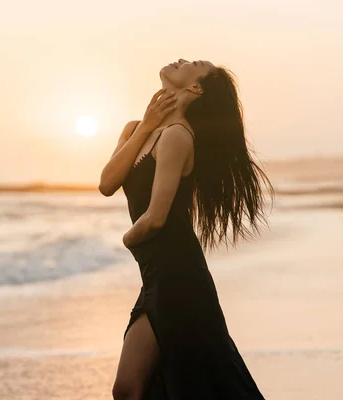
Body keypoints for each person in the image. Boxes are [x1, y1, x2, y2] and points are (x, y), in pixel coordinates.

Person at [99, 58, 273, 399]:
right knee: (141, 388)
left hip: (180, 280)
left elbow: (155, 218)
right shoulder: (136, 128)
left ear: (195, 88)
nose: (181, 60)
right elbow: (107, 183)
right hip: (156, 278)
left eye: (194, 64)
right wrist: (147, 125)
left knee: (165, 386)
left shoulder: (179, 137)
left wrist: (126, 240)